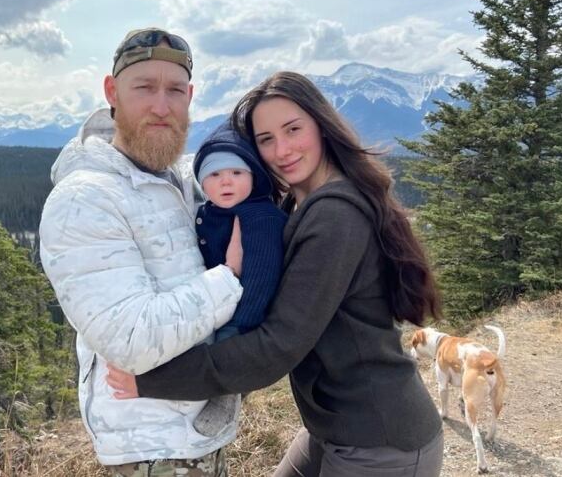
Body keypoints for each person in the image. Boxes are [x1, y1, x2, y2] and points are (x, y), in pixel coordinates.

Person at [107, 71, 445, 476]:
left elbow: (277, 346)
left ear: (321, 126)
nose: (282, 149)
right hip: (333, 429)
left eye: (293, 129)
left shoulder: (334, 216)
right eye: (266, 140)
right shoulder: (295, 208)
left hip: (380, 440)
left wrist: (153, 379)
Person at [39, 28, 244, 476]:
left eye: (174, 90)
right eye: (144, 88)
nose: (161, 106)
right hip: (152, 455)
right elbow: (131, 340)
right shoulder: (84, 200)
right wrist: (230, 277)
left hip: (196, 441)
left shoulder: (177, 181)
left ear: (190, 96)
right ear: (112, 92)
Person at [191, 121, 287, 436]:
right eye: (214, 175)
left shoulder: (259, 217)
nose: (226, 182)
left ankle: (227, 395)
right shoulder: (212, 210)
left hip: (244, 311)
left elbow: (262, 273)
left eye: (236, 173)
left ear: (253, 176)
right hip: (218, 301)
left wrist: (244, 320)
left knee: (224, 355)